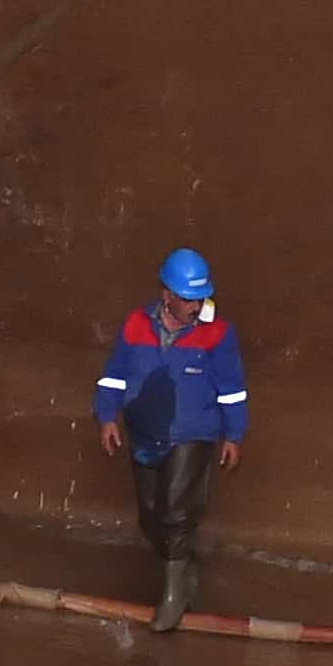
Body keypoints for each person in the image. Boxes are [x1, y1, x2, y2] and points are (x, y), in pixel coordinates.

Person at [90, 245, 247, 631]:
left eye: (201, 298)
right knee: (150, 517)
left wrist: (233, 433)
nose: (197, 306)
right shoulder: (135, 325)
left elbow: (231, 388)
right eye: (189, 299)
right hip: (146, 431)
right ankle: (184, 567)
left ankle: (175, 594)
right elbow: (114, 374)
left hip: (193, 432)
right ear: (167, 295)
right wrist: (107, 416)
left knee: (176, 510)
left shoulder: (218, 334)